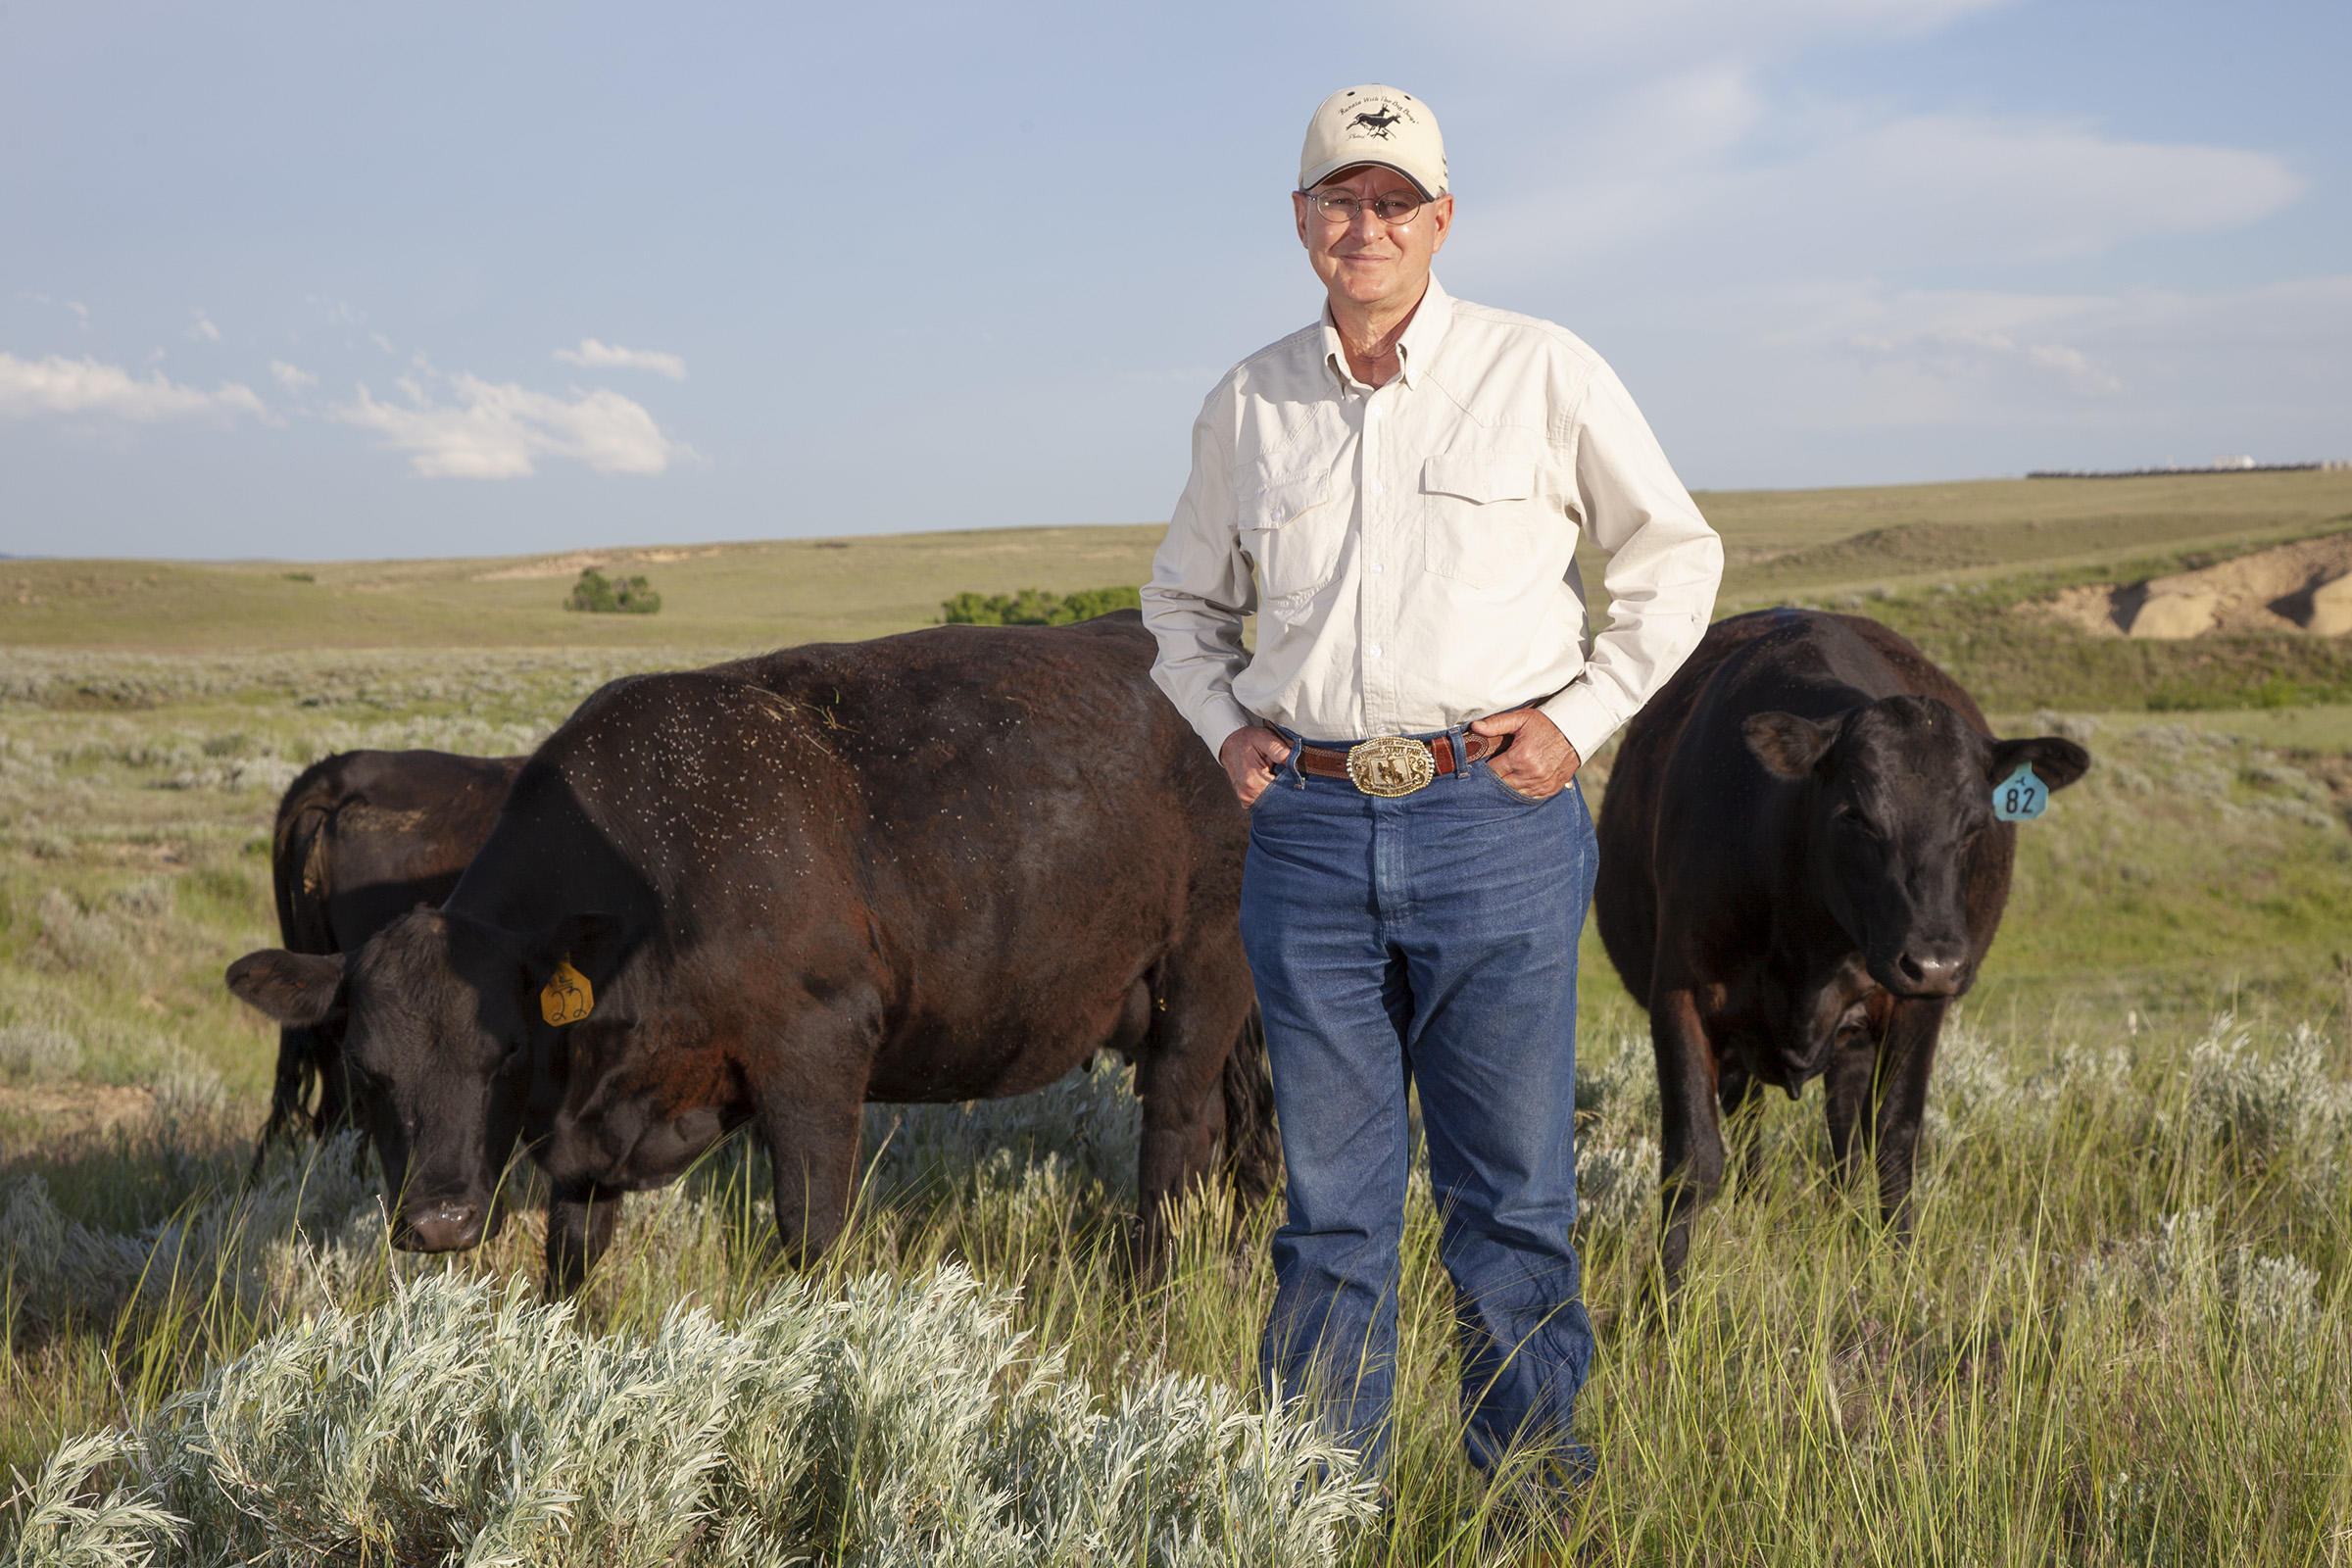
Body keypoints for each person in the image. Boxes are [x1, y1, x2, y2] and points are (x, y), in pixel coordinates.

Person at [1140, 84, 1724, 1509]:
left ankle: (1532, 1512)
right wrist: (1225, 727)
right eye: (1341, 199)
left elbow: (1675, 559)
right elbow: (1178, 606)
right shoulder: (1251, 399)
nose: (1367, 224)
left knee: (1512, 1206)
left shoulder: (1542, 372)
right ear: (1301, 221)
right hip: (1313, 831)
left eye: (1395, 201)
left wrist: (1580, 720)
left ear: (1442, 219)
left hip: (1493, 820)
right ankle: (1314, 1515)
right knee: (1329, 1215)